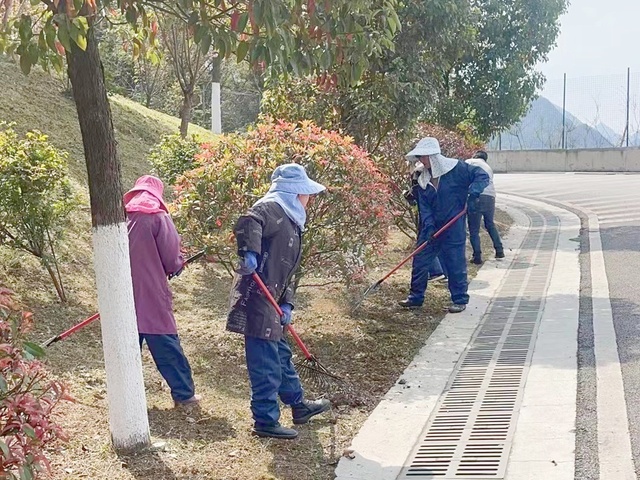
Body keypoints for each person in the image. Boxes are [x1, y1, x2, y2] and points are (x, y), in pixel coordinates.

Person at [227, 163, 331, 440]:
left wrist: (288, 304)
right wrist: (249, 252)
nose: (309, 199)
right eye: (306, 193)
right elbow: (249, 221)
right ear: (295, 192)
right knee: (265, 363)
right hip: (256, 297)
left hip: (273, 298)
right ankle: (265, 420)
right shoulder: (271, 208)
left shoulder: (291, 220)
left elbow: (288, 270)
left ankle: (298, 405)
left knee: (281, 356)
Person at [124, 175, 200, 407]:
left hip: (123, 290)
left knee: (127, 345)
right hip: (152, 291)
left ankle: (126, 397)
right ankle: (184, 394)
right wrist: (177, 265)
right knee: (165, 342)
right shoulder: (158, 217)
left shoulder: (121, 217)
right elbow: (171, 257)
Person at [399, 138, 490, 313]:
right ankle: (415, 297)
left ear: (433, 156)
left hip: (453, 225)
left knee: (455, 263)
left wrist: (473, 193)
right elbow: (424, 208)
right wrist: (429, 227)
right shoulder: (422, 180)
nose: (421, 161)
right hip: (432, 227)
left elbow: (482, 176)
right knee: (420, 260)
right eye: (419, 157)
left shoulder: (458, 169)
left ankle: (459, 299)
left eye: (424, 157)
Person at [465, 150, 505, 264]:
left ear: (474, 155)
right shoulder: (488, 167)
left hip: (475, 196)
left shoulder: (468, 162)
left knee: (474, 229)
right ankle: (499, 250)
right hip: (490, 197)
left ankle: (477, 256)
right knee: (490, 224)